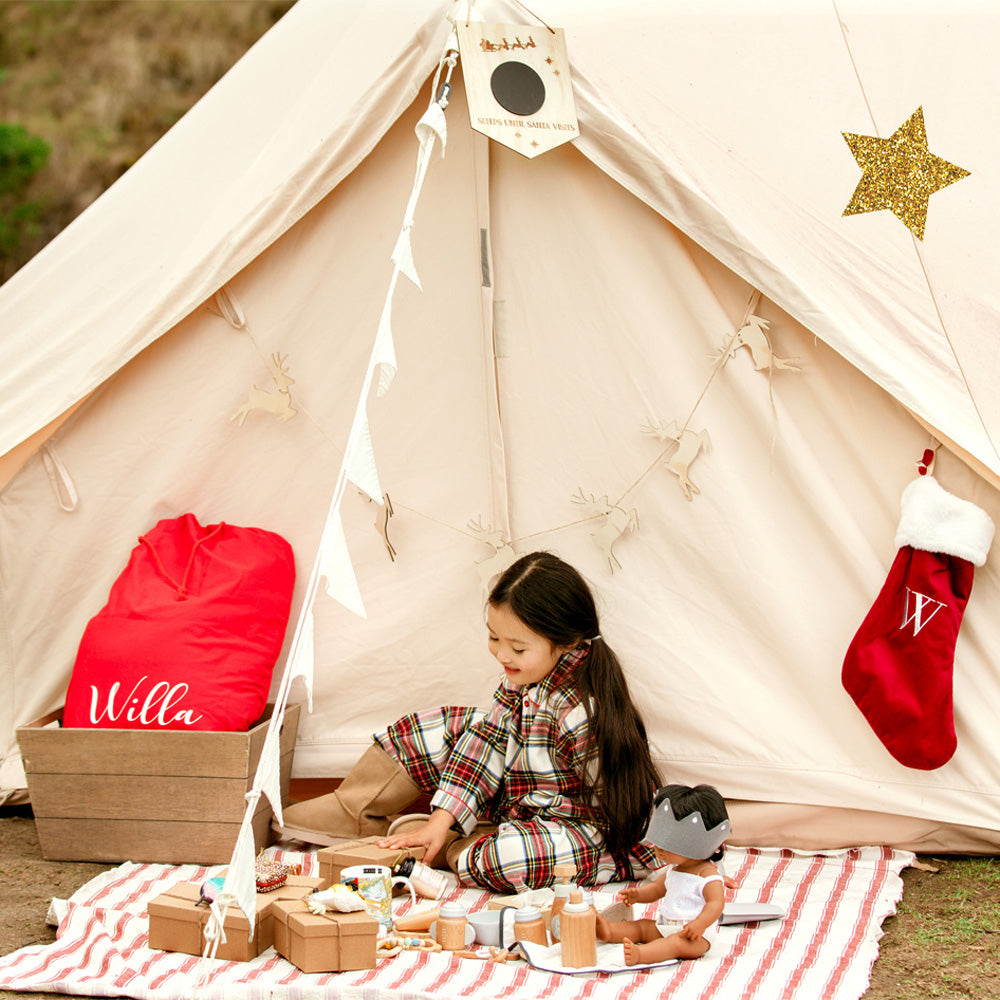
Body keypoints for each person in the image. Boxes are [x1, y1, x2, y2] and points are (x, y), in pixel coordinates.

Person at [274, 551, 661, 893]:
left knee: (509, 861)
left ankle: (456, 846)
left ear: (567, 643)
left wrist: (652, 858)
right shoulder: (521, 684)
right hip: (510, 801)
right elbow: (482, 749)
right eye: (494, 638)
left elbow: (619, 823)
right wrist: (442, 818)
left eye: (518, 648)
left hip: (566, 826)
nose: (501, 655)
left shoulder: (582, 715)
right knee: (441, 728)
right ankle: (360, 811)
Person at [596, 784, 730, 965]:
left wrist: (699, 924)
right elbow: (657, 890)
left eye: (666, 847)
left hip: (695, 937)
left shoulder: (707, 875)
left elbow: (716, 904)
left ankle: (642, 954)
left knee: (674, 943)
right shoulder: (675, 869)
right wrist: (638, 895)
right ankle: (610, 931)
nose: (658, 851)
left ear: (693, 843)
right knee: (642, 927)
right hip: (665, 925)